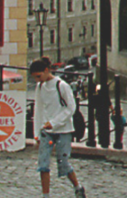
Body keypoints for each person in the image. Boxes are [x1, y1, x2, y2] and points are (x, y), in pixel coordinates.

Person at [31, 57, 86, 198]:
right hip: (46, 131)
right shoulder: (40, 86)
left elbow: (71, 108)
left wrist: (55, 122)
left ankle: (77, 187)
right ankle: (46, 195)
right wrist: (37, 131)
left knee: (63, 162)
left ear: (46, 70)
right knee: (43, 163)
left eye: (39, 76)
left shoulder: (61, 86)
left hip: (63, 130)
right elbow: (38, 109)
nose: (38, 80)